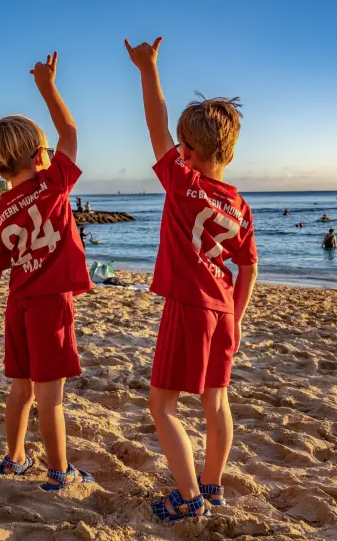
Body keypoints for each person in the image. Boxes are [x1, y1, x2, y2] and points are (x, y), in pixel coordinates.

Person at [126, 37, 257, 521]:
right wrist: (238, 319)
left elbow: (155, 123)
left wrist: (148, 68)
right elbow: (248, 266)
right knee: (216, 403)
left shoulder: (184, 182)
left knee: (162, 404)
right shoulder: (239, 204)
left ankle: (187, 498)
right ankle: (213, 485)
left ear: (186, 150)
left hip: (188, 305)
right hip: (224, 310)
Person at [0, 51, 95, 492]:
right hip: (50, 306)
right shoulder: (53, 183)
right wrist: (47, 85)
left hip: (18, 306)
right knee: (51, 398)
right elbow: (71, 130)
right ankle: (60, 472)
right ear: (40, 154)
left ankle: (14, 458)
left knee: (20, 390)